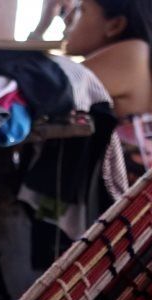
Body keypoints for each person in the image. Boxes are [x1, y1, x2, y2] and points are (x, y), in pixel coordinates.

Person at [34, 0, 152, 180]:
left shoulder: (131, 54)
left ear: (114, 25)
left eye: (82, 10)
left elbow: (37, 92)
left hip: (133, 205)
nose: (68, 18)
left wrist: (40, 30)